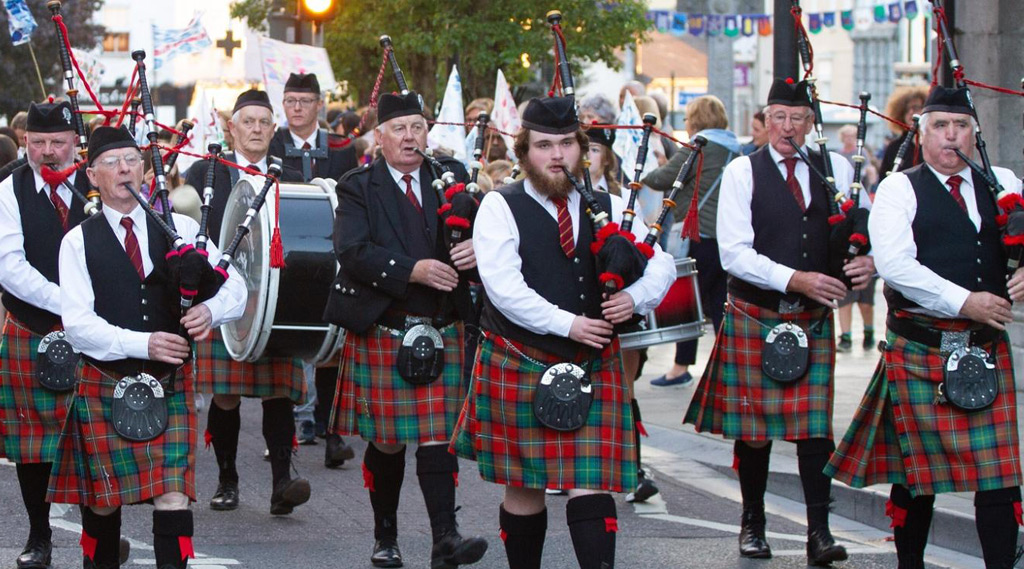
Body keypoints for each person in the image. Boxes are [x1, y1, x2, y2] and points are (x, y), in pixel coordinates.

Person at [450, 96, 675, 569]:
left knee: (590, 480)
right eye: (543, 145)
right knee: (525, 481)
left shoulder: (610, 205)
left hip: (593, 364)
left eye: (567, 144)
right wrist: (569, 323)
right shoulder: (500, 205)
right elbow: (504, 287)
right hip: (521, 358)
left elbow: (663, 264)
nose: (557, 155)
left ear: (582, 148)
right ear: (524, 152)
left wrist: (634, 298)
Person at [826, 85, 1024, 569]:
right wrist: (966, 301)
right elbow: (895, 265)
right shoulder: (900, 187)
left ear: (975, 132)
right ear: (920, 131)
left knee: (999, 480)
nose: (951, 136)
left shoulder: (1001, 179)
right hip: (922, 349)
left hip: (984, 348)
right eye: (940, 126)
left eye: (960, 126)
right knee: (918, 478)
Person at [683, 78, 874, 566]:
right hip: (757, 313)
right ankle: (753, 523)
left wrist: (864, 260)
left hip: (810, 319)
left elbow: (864, 226)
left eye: (798, 119)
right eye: (779, 117)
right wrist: (799, 279)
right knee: (754, 430)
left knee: (815, 431)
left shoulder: (836, 168)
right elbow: (734, 254)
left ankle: (819, 532)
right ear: (765, 120)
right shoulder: (743, 171)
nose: (788, 127)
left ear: (812, 124)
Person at [47, 125, 246, 569]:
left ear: (146, 169)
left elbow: (237, 290)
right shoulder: (77, 241)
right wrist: (145, 343)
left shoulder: (184, 228)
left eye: (132, 160)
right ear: (93, 176)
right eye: (112, 163)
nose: (124, 169)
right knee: (102, 500)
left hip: (168, 384)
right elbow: (78, 326)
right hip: (106, 382)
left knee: (173, 494)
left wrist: (211, 313)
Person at [323, 91, 488, 569]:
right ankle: (385, 535)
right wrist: (412, 270)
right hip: (386, 327)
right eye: (399, 128)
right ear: (381, 137)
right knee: (388, 440)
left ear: (427, 132)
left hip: (443, 326)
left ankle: (445, 538)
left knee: (438, 436)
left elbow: (486, 232)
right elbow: (352, 251)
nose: (410, 136)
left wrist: (476, 248)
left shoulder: (450, 178)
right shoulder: (358, 186)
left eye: (417, 127)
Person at [183, 90, 340, 517]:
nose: (255, 128)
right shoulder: (205, 173)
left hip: (276, 302)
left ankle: (281, 483)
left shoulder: (290, 177)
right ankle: (227, 481)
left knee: (279, 395)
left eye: (263, 122)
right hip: (222, 299)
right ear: (231, 127)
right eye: (247, 121)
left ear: (275, 129)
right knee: (228, 396)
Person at [0, 101, 93, 569]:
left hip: (98, 333)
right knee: (32, 443)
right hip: (32, 326)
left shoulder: (98, 184)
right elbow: (9, 267)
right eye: (38, 143)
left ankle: (99, 534)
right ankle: (39, 537)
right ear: (25, 143)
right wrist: (69, 304)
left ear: (75, 142)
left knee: (93, 434)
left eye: (58, 142)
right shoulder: (8, 191)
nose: (48, 152)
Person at [644, 95, 741, 388]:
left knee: (688, 302)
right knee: (720, 302)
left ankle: (680, 368)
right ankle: (732, 365)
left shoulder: (699, 147)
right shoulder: (735, 150)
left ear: (696, 120)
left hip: (697, 233)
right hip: (725, 234)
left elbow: (662, 179)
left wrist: (653, 165)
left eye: (687, 119)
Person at [835, 124, 879, 352]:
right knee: (844, 295)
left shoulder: (863, 157)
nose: (850, 138)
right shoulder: (837, 159)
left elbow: (872, 176)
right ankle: (845, 336)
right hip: (843, 239)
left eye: (853, 135)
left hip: (864, 232)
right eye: (848, 135)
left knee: (865, 298)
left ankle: (869, 332)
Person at [269, 72, 358, 184]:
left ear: (319, 104)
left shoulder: (342, 148)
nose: (297, 108)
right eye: (290, 101)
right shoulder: (270, 147)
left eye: (305, 101)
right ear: (283, 104)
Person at [879, 85, 928, 178]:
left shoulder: (934, 144)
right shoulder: (894, 147)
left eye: (916, 107)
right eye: (906, 110)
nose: (910, 112)